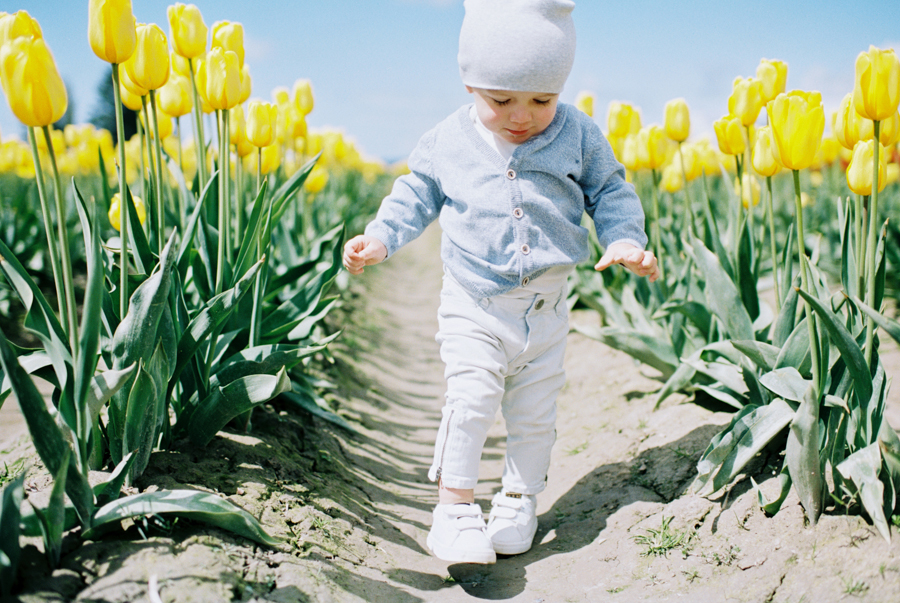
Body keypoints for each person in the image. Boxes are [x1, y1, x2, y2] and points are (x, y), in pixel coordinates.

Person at [342, 0, 659, 564]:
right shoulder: (447, 140)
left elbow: (610, 190)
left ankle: (518, 498)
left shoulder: (578, 134)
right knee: (471, 397)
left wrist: (623, 238)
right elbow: (416, 194)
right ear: (470, 83)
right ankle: (455, 510)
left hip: (548, 306)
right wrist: (381, 237)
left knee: (535, 410)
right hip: (475, 301)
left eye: (542, 99)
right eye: (501, 99)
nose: (522, 115)